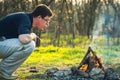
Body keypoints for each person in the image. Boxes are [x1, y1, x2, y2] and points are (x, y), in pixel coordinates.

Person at [0, 4, 53, 79]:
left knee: (28, 43)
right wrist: (33, 35)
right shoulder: (25, 19)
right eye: (47, 20)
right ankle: (3, 71)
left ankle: (3, 71)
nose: (47, 24)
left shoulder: (26, 18)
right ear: (39, 17)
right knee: (29, 45)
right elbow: (23, 39)